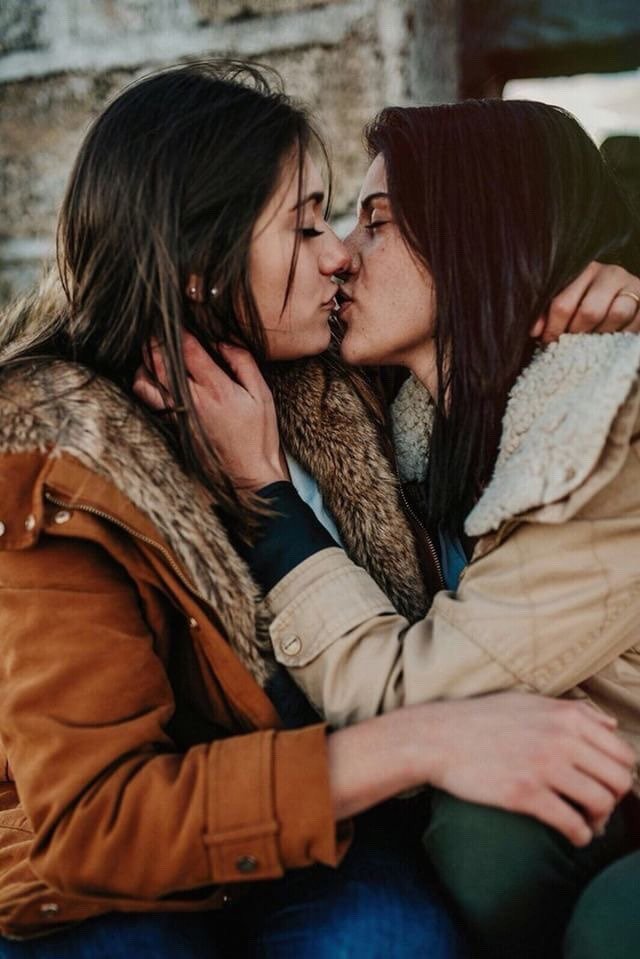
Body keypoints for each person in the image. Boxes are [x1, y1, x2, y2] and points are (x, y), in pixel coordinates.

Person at [0, 64, 635, 957]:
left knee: (385, 941)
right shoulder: (62, 462)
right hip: (130, 871)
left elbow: (500, 292)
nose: (339, 251)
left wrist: (610, 282)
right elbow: (101, 820)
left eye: (350, 220)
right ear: (196, 265)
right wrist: (415, 745)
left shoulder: (349, 379)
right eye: (305, 225)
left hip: (343, 838)